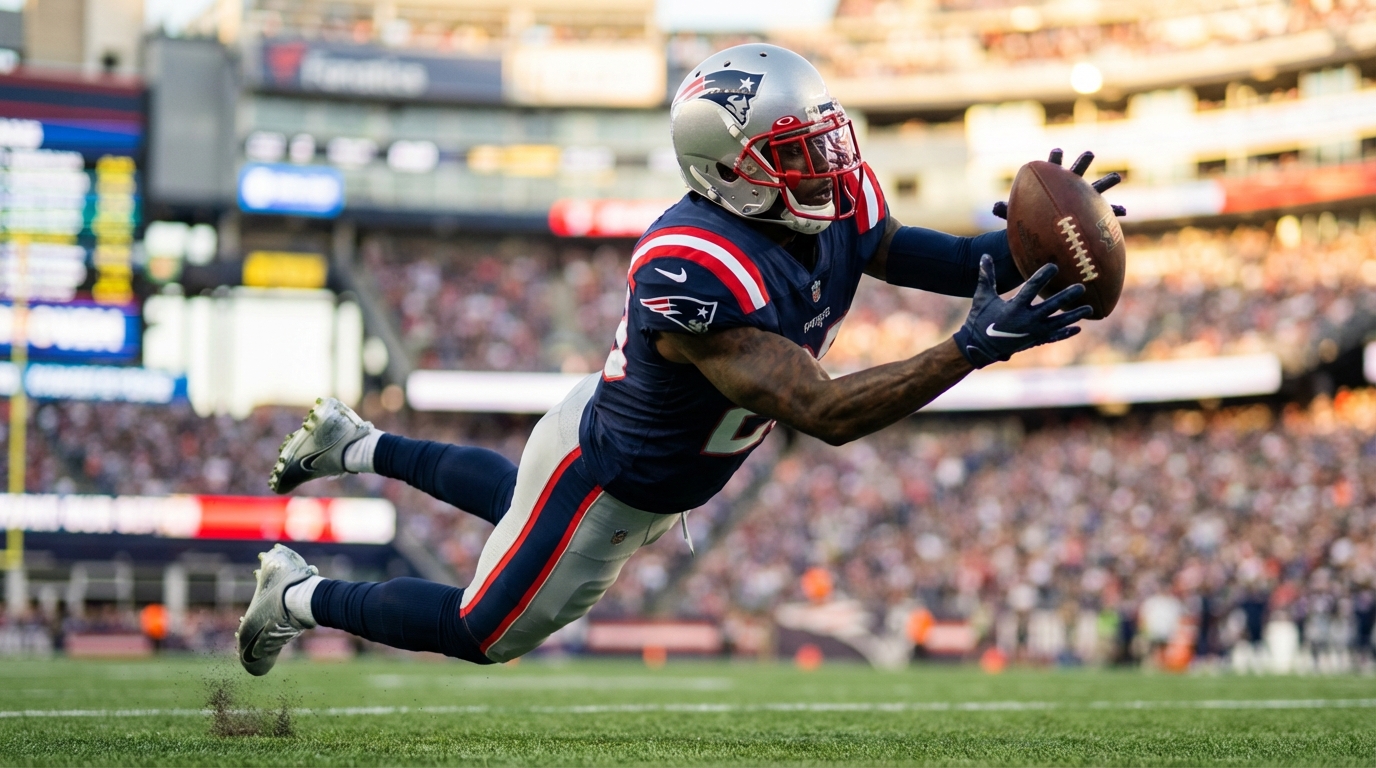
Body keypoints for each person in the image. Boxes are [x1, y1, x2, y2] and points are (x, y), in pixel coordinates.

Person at [235, 44, 1119, 675]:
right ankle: (298, 595)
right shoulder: (695, 266)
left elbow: (899, 247)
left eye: (825, 142)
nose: (829, 169)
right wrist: (969, 348)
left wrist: (1037, 247)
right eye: (797, 157)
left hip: (614, 435)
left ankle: (355, 445)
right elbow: (825, 411)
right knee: (482, 629)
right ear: (731, 172)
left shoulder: (832, 194)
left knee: (517, 505)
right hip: (612, 481)